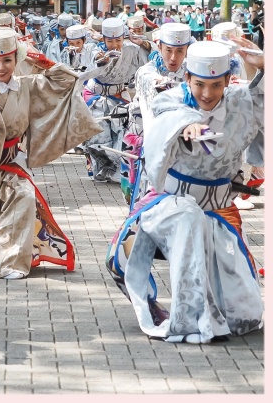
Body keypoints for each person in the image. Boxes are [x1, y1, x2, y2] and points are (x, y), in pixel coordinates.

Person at [107, 40, 263, 343]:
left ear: (228, 80)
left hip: (219, 210)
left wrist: (266, 68)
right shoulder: (173, 99)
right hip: (171, 203)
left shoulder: (241, 101)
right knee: (183, 220)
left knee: (243, 316)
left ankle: (213, 314)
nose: (207, 94)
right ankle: (188, 319)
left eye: (216, 85)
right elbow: (168, 112)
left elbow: (262, 97)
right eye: (199, 84)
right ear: (188, 78)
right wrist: (186, 126)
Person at [0, 28, 99, 280]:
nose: (1, 67)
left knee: (24, 196)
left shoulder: (26, 85)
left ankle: (6, 260)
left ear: (16, 59)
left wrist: (42, 62)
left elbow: (66, 82)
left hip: (12, 160)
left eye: (7, 60)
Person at [82, 17, 148, 184]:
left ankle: (119, 169)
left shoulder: (132, 49)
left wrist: (144, 44)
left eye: (118, 40)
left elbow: (148, 60)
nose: (114, 45)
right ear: (103, 39)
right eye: (110, 41)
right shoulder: (95, 49)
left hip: (118, 95)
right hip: (95, 97)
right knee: (99, 135)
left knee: (121, 133)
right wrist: (103, 60)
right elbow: (93, 62)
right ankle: (103, 167)